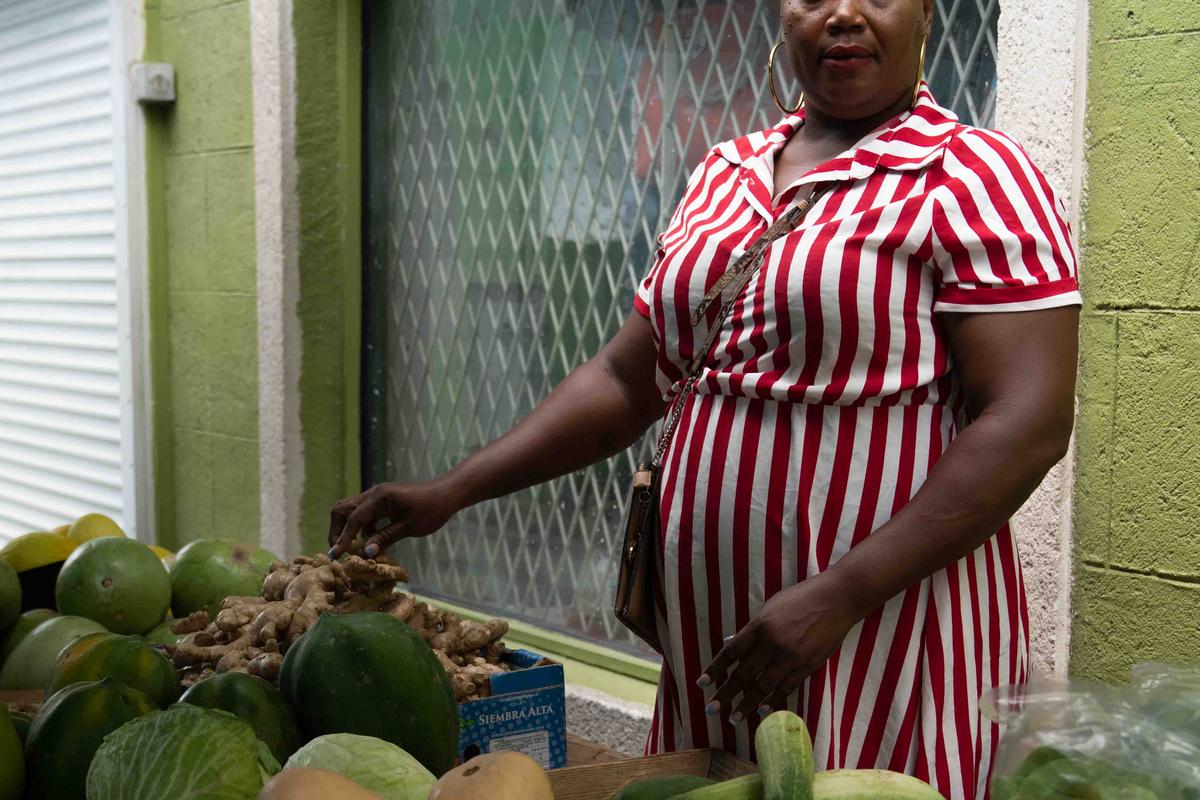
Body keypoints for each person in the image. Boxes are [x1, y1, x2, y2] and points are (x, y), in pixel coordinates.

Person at [329, 1, 1080, 797]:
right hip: (720, 643)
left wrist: (841, 593)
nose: (844, 15)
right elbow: (629, 379)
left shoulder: (975, 176)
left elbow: (1027, 422)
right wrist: (454, 490)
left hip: (886, 629)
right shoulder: (726, 172)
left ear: (925, 11)